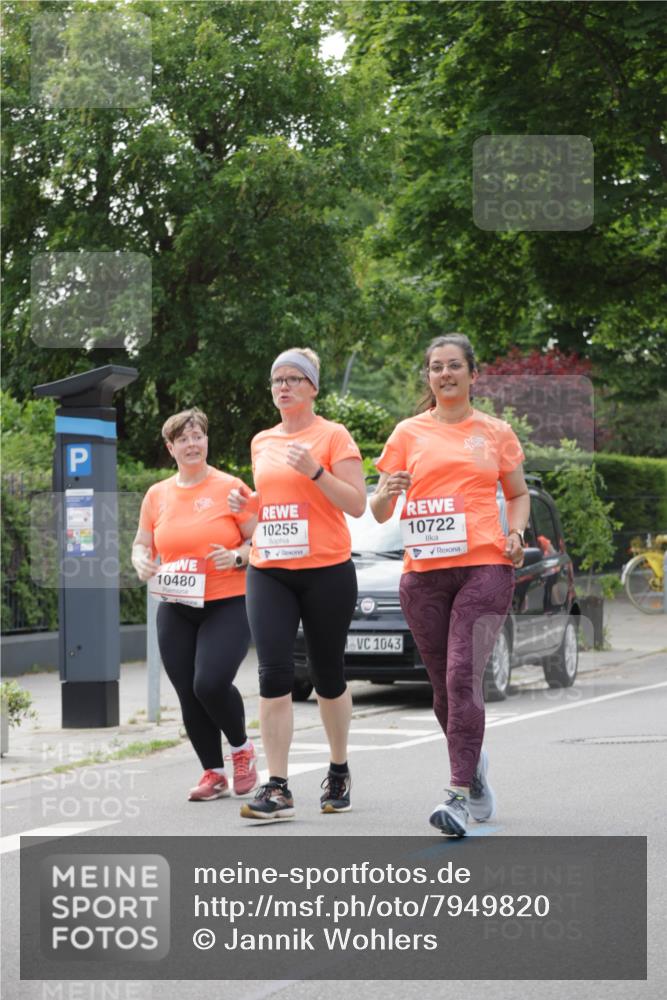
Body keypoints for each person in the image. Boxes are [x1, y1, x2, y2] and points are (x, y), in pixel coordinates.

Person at [370, 334, 529, 837]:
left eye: (454, 366)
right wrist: (384, 492)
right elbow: (377, 512)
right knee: (441, 689)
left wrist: (516, 533)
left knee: (463, 677)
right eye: (436, 367)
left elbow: (518, 493)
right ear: (429, 377)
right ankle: (474, 769)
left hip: (485, 566)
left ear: (472, 375)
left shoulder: (495, 431)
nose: (445, 374)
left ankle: (457, 793)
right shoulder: (406, 434)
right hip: (423, 577)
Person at [229, 348, 366, 822]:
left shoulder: (333, 436)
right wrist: (248, 506)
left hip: (327, 569)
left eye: (293, 379)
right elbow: (270, 506)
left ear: (312, 387)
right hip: (269, 571)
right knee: (273, 675)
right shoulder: (261, 441)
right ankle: (279, 786)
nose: (282, 387)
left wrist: (316, 470)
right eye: (276, 380)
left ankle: (339, 768)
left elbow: (356, 504)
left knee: (328, 675)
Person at [131, 408, 258, 802]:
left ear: (206, 441)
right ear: (171, 448)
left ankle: (241, 750)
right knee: (187, 690)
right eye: (183, 439)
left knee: (210, 682)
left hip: (227, 600)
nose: (192, 444)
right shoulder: (157, 494)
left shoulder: (231, 487)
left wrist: (237, 555)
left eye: (198, 436)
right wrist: (139, 560)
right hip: (176, 603)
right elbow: (141, 542)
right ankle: (213, 772)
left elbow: (261, 542)